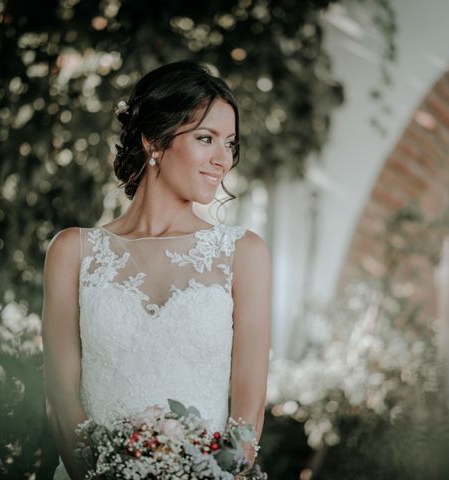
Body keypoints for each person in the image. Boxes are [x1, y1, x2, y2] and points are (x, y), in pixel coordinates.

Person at [42, 60, 271, 480]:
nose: (223, 159)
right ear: (154, 141)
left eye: (230, 144)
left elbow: (248, 412)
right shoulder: (72, 251)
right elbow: (61, 402)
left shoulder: (243, 253)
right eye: (207, 139)